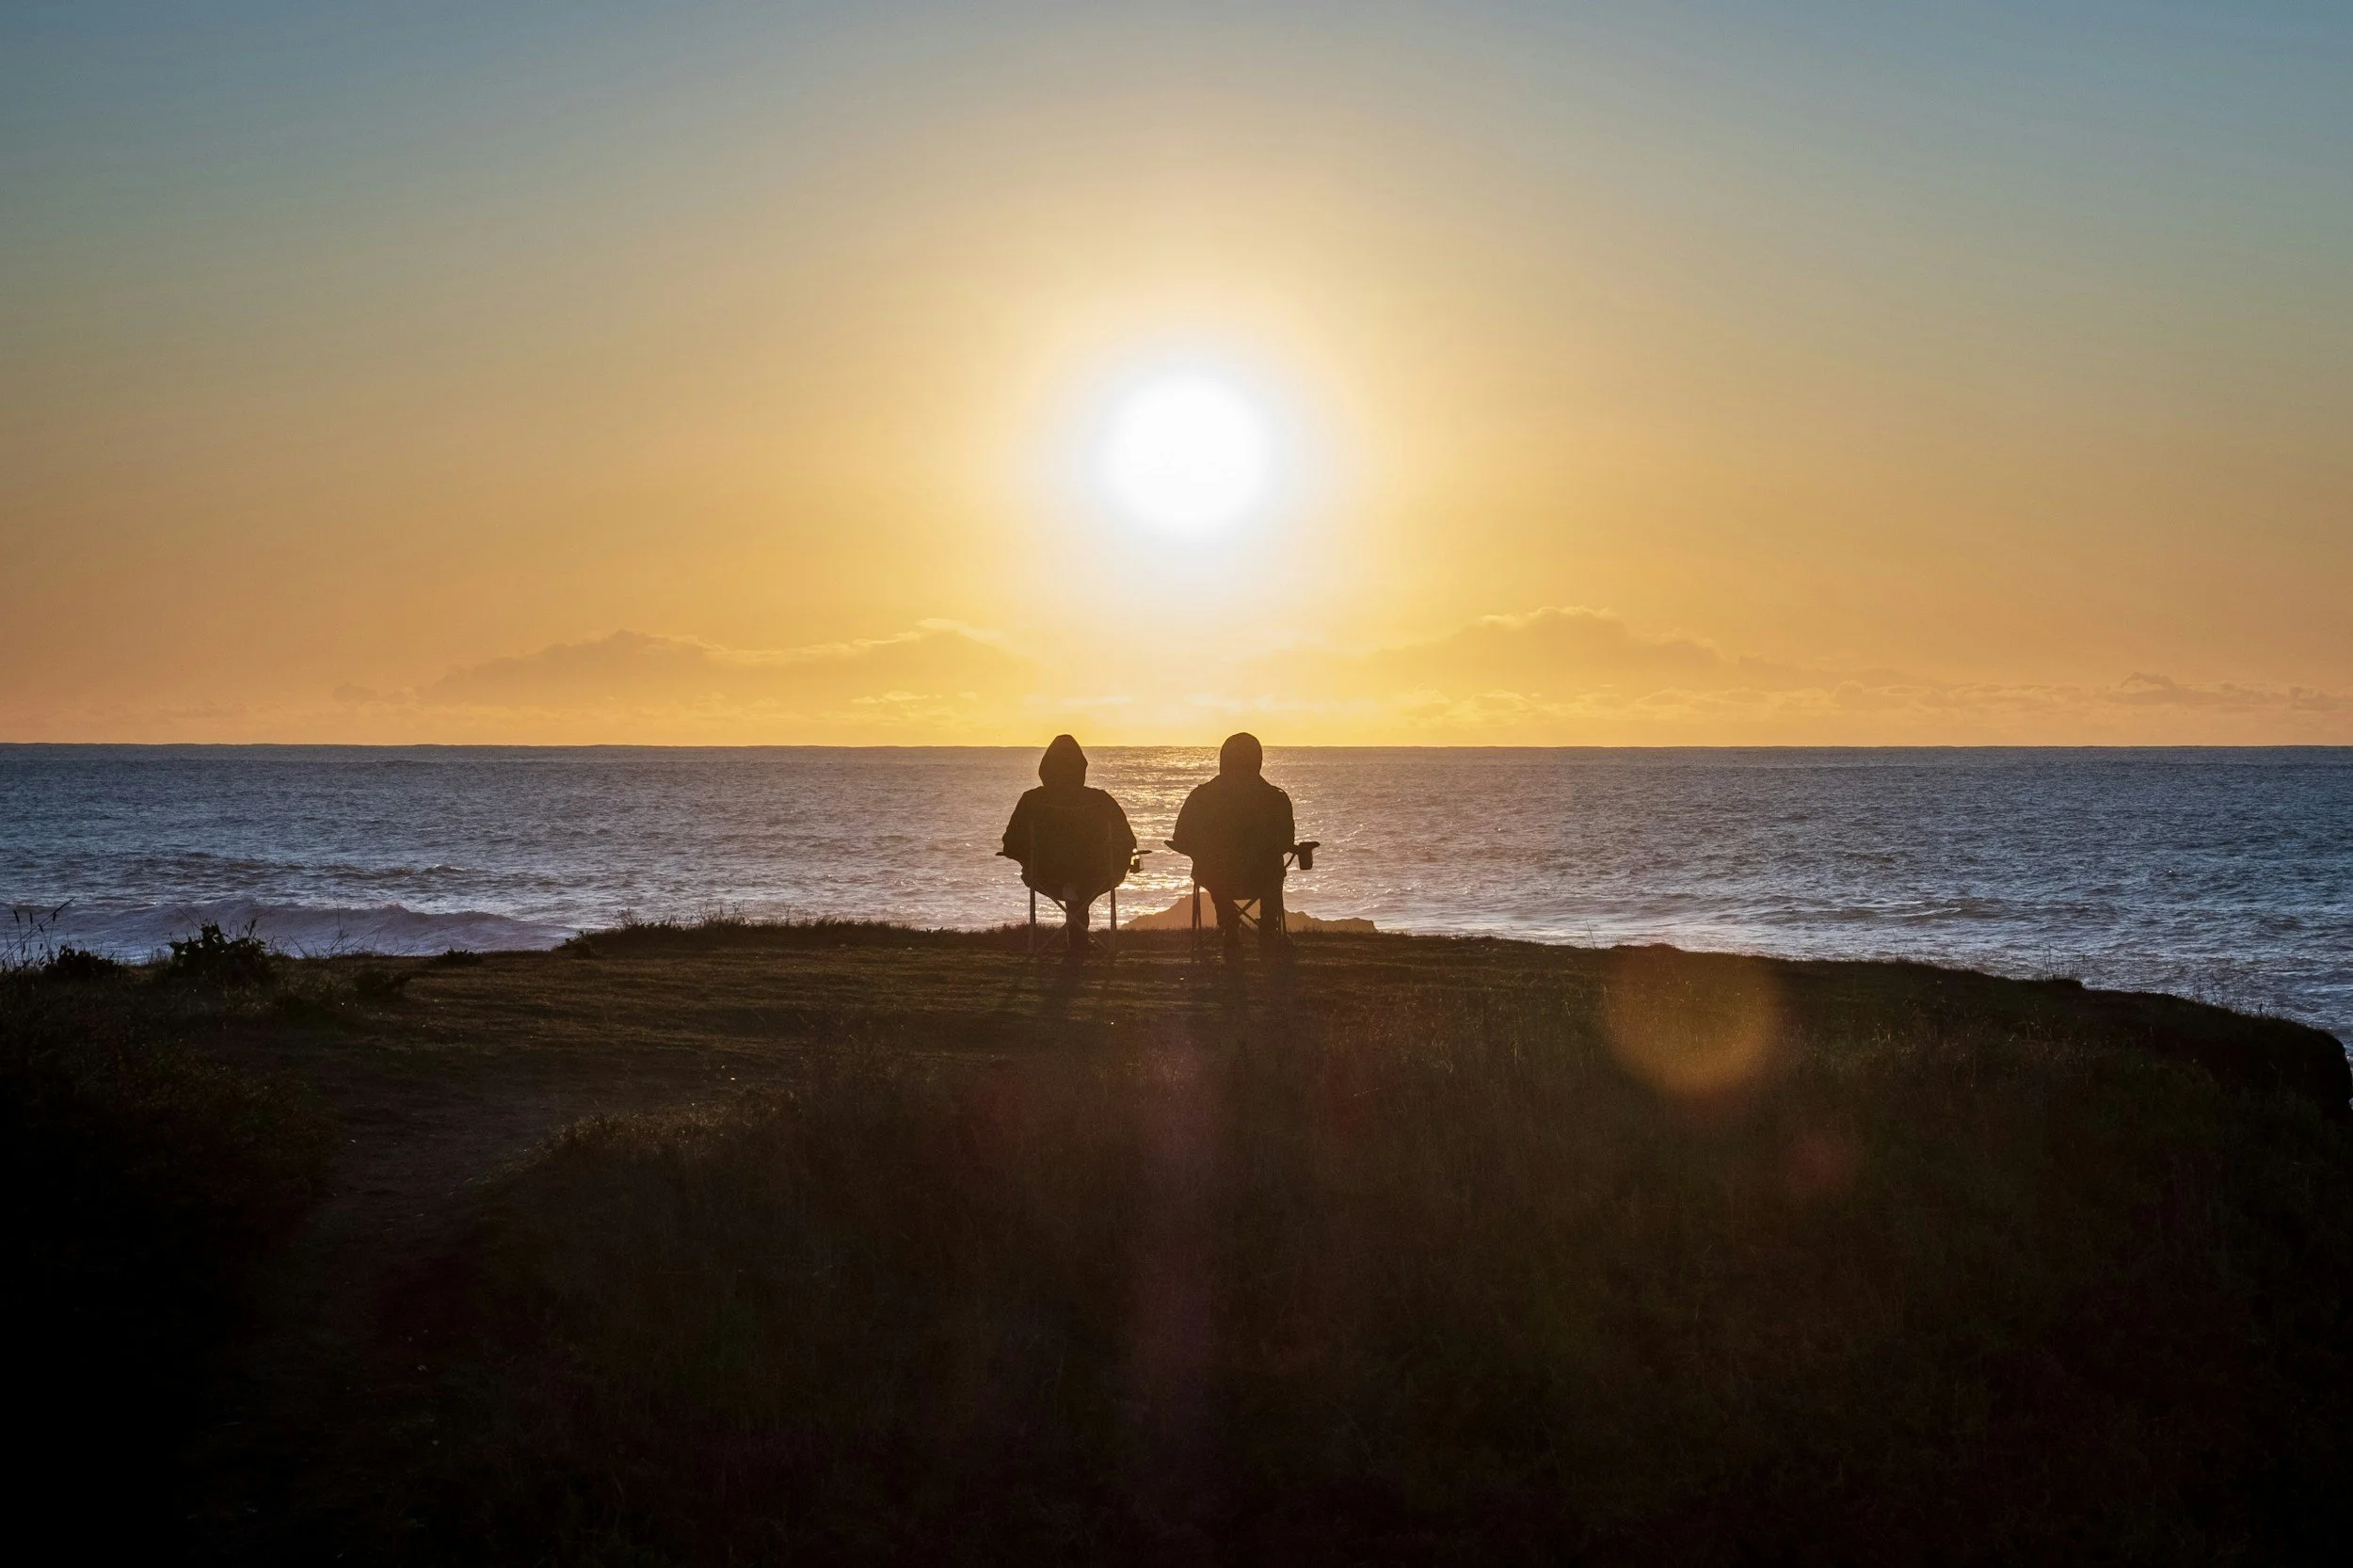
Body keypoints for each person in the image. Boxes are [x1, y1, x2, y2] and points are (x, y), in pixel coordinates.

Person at [1000, 734, 1137, 955]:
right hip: (1096, 874)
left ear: (1045, 767)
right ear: (1081, 767)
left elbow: (1011, 843)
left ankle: (1074, 927)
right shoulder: (1100, 800)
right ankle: (1079, 938)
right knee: (1082, 887)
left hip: (1045, 875)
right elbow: (1126, 840)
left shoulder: (1032, 801)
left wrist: (1030, 860)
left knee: (1073, 885)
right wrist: (1122, 860)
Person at [1170, 731, 1296, 955]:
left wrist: (1199, 852)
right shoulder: (1275, 798)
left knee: (1215, 871)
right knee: (1274, 870)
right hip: (1262, 878)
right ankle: (1268, 927)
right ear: (1258, 761)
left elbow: (1181, 839)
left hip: (1217, 879)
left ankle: (1229, 926)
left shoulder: (1201, 797)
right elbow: (1287, 842)